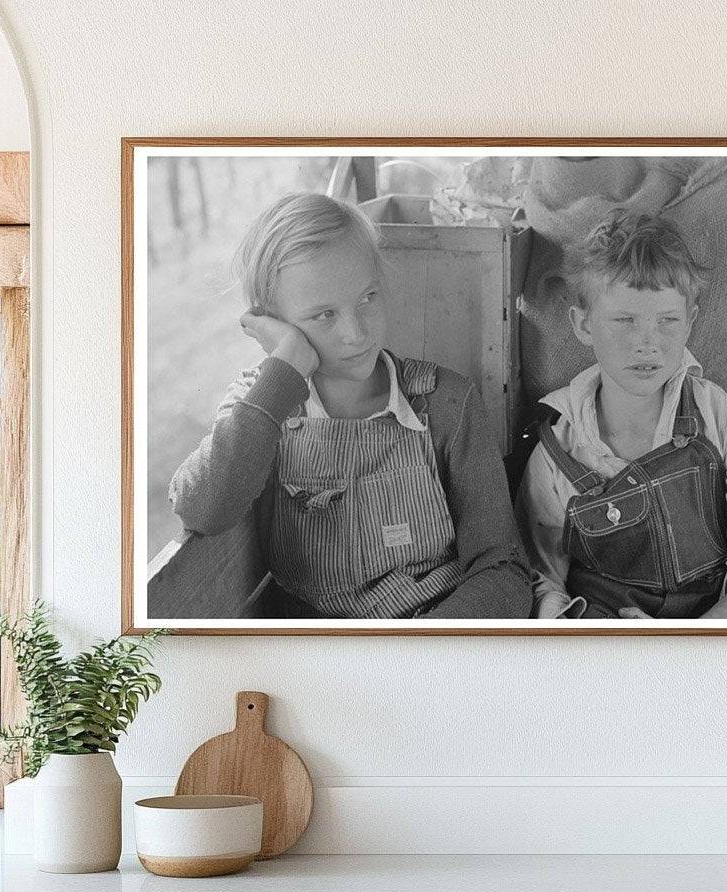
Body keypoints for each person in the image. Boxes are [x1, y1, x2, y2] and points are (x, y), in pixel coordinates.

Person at [170, 192, 531, 619]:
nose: (356, 333)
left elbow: (502, 569)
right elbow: (204, 509)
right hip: (327, 656)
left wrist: (421, 652)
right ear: (273, 322)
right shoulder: (263, 405)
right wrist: (284, 370)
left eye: (368, 298)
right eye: (324, 315)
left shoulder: (447, 402)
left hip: (439, 641)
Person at [516, 209, 727, 620]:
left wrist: (682, 645)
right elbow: (542, 581)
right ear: (583, 325)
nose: (647, 344)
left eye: (667, 321)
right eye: (624, 320)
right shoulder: (555, 457)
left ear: (690, 323)